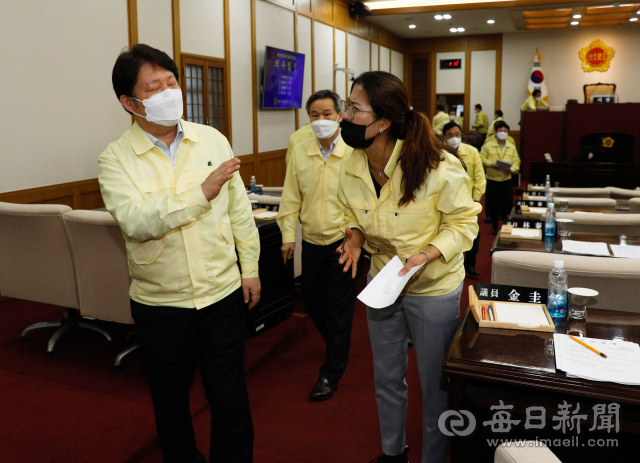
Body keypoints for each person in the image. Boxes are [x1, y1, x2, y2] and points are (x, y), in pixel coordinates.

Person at [98, 44, 260, 463]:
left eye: (172, 82)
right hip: (161, 305)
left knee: (231, 401)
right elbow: (135, 220)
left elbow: (240, 210)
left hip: (222, 295)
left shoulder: (212, 138)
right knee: (171, 406)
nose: (170, 91)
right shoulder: (115, 159)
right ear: (129, 102)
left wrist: (251, 268)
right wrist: (201, 192)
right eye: (155, 87)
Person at [337, 71, 481, 463]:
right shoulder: (350, 163)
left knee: (434, 384)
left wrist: (428, 254)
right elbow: (350, 211)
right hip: (384, 281)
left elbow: (464, 223)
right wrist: (354, 235)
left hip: (433, 287)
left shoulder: (436, 166)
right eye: (346, 105)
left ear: (383, 122)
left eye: (354, 108)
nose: (343, 116)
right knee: (386, 376)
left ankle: (433, 458)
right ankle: (392, 452)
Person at [277, 90, 359, 402]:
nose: (320, 120)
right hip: (311, 240)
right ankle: (339, 343)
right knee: (310, 297)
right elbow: (290, 196)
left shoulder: (354, 151)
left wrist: (356, 234)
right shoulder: (300, 150)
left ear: (340, 115)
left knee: (339, 307)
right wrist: (288, 235)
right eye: (314, 115)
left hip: (344, 242)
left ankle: (331, 372)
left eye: (327, 114)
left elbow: (364, 198)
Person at [443, 121, 486, 277]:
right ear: (444, 137)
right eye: (451, 135)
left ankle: (470, 265)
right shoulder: (441, 153)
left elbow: (480, 177)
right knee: (451, 234)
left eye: (458, 134)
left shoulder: (472, 151)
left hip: (469, 202)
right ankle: (456, 265)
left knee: (474, 235)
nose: (455, 138)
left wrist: (475, 199)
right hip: (448, 203)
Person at [480, 120, 521, 235]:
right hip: (493, 179)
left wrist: (512, 169)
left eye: (505, 131)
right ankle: (495, 226)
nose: (502, 132)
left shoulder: (511, 147)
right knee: (493, 203)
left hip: (506, 179)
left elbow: (516, 161)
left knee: (507, 202)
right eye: (500, 130)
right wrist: (492, 164)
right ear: (495, 132)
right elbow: (481, 158)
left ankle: (504, 218)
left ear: (508, 132)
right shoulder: (488, 146)